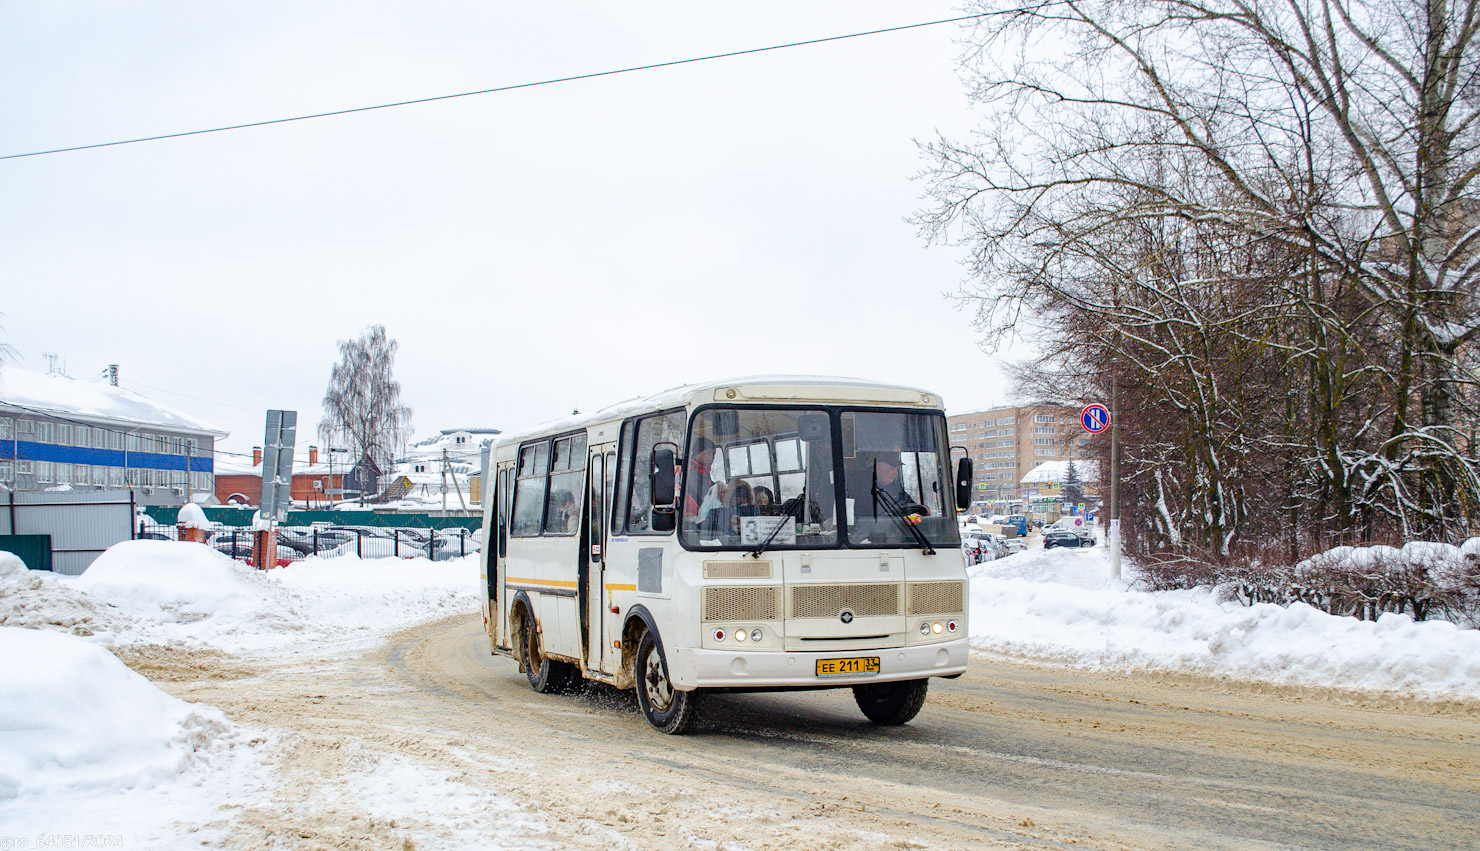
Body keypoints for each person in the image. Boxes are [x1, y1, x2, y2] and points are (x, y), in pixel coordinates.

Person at [683, 436, 719, 520]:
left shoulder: (704, 472)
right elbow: (703, 498)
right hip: (691, 519)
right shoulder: (690, 472)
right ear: (697, 452)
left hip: (701, 517)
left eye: (713, 454)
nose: (711, 458)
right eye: (708, 453)